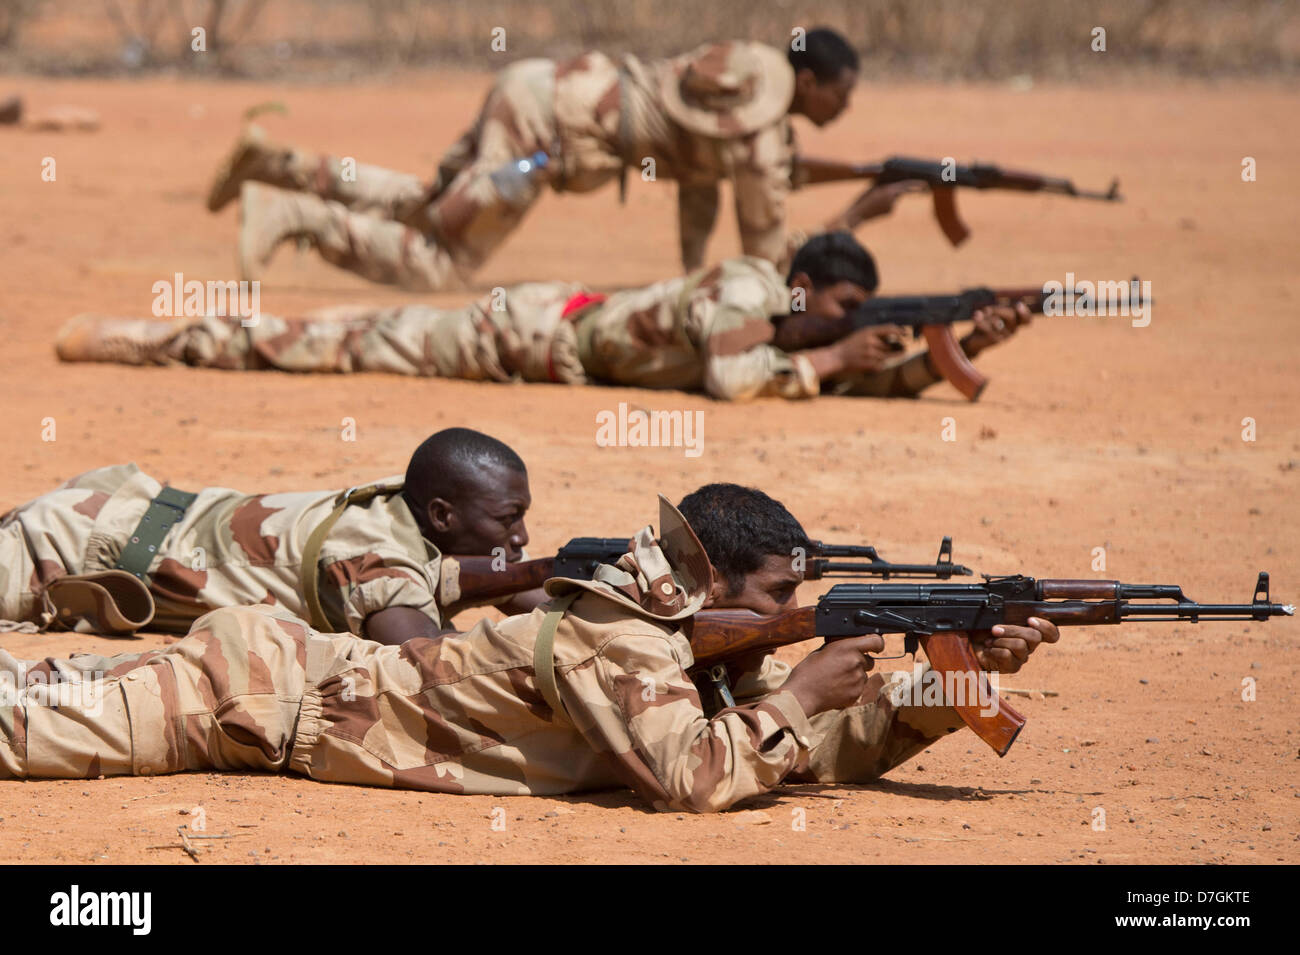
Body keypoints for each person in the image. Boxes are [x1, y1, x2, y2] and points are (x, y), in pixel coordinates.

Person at [0, 485, 1058, 813]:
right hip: (250, 694)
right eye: (782, 595)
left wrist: (943, 685)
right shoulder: (621, 640)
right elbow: (698, 776)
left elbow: (802, 751)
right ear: (714, 587)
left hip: (267, 692)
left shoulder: (667, 643)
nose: (797, 607)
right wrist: (799, 694)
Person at [205, 28, 917, 290]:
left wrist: (691, 276)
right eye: (843, 96)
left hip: (538, 89)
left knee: (433, 204)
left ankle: (277, 162)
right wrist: (854, 217)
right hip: (541, 145)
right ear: (814, 82)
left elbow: (701, 184)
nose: (844, 111)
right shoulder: (761, 129)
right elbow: (766, 259)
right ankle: (291, 211)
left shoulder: (748, 76)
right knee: (442, 262)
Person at [56, 232, 1030, 401]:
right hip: (521, 332)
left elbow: (839, 372)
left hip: (556, 348)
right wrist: (832, 360)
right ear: (801, 286)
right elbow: (739, 379)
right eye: (842, 308)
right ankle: (158, 337)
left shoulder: (798, 329)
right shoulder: (745, 292)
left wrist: (960, 345)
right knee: (331, 340)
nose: (848, 322)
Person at [0, 428, 540, 643]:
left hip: (128, 509)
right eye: (506, 520)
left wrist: (585, 578)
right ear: (443, 516)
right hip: (67, 548)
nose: (519, 536)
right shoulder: (377, 562)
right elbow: (433, 661)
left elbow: (516, 582)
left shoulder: (408, 505)